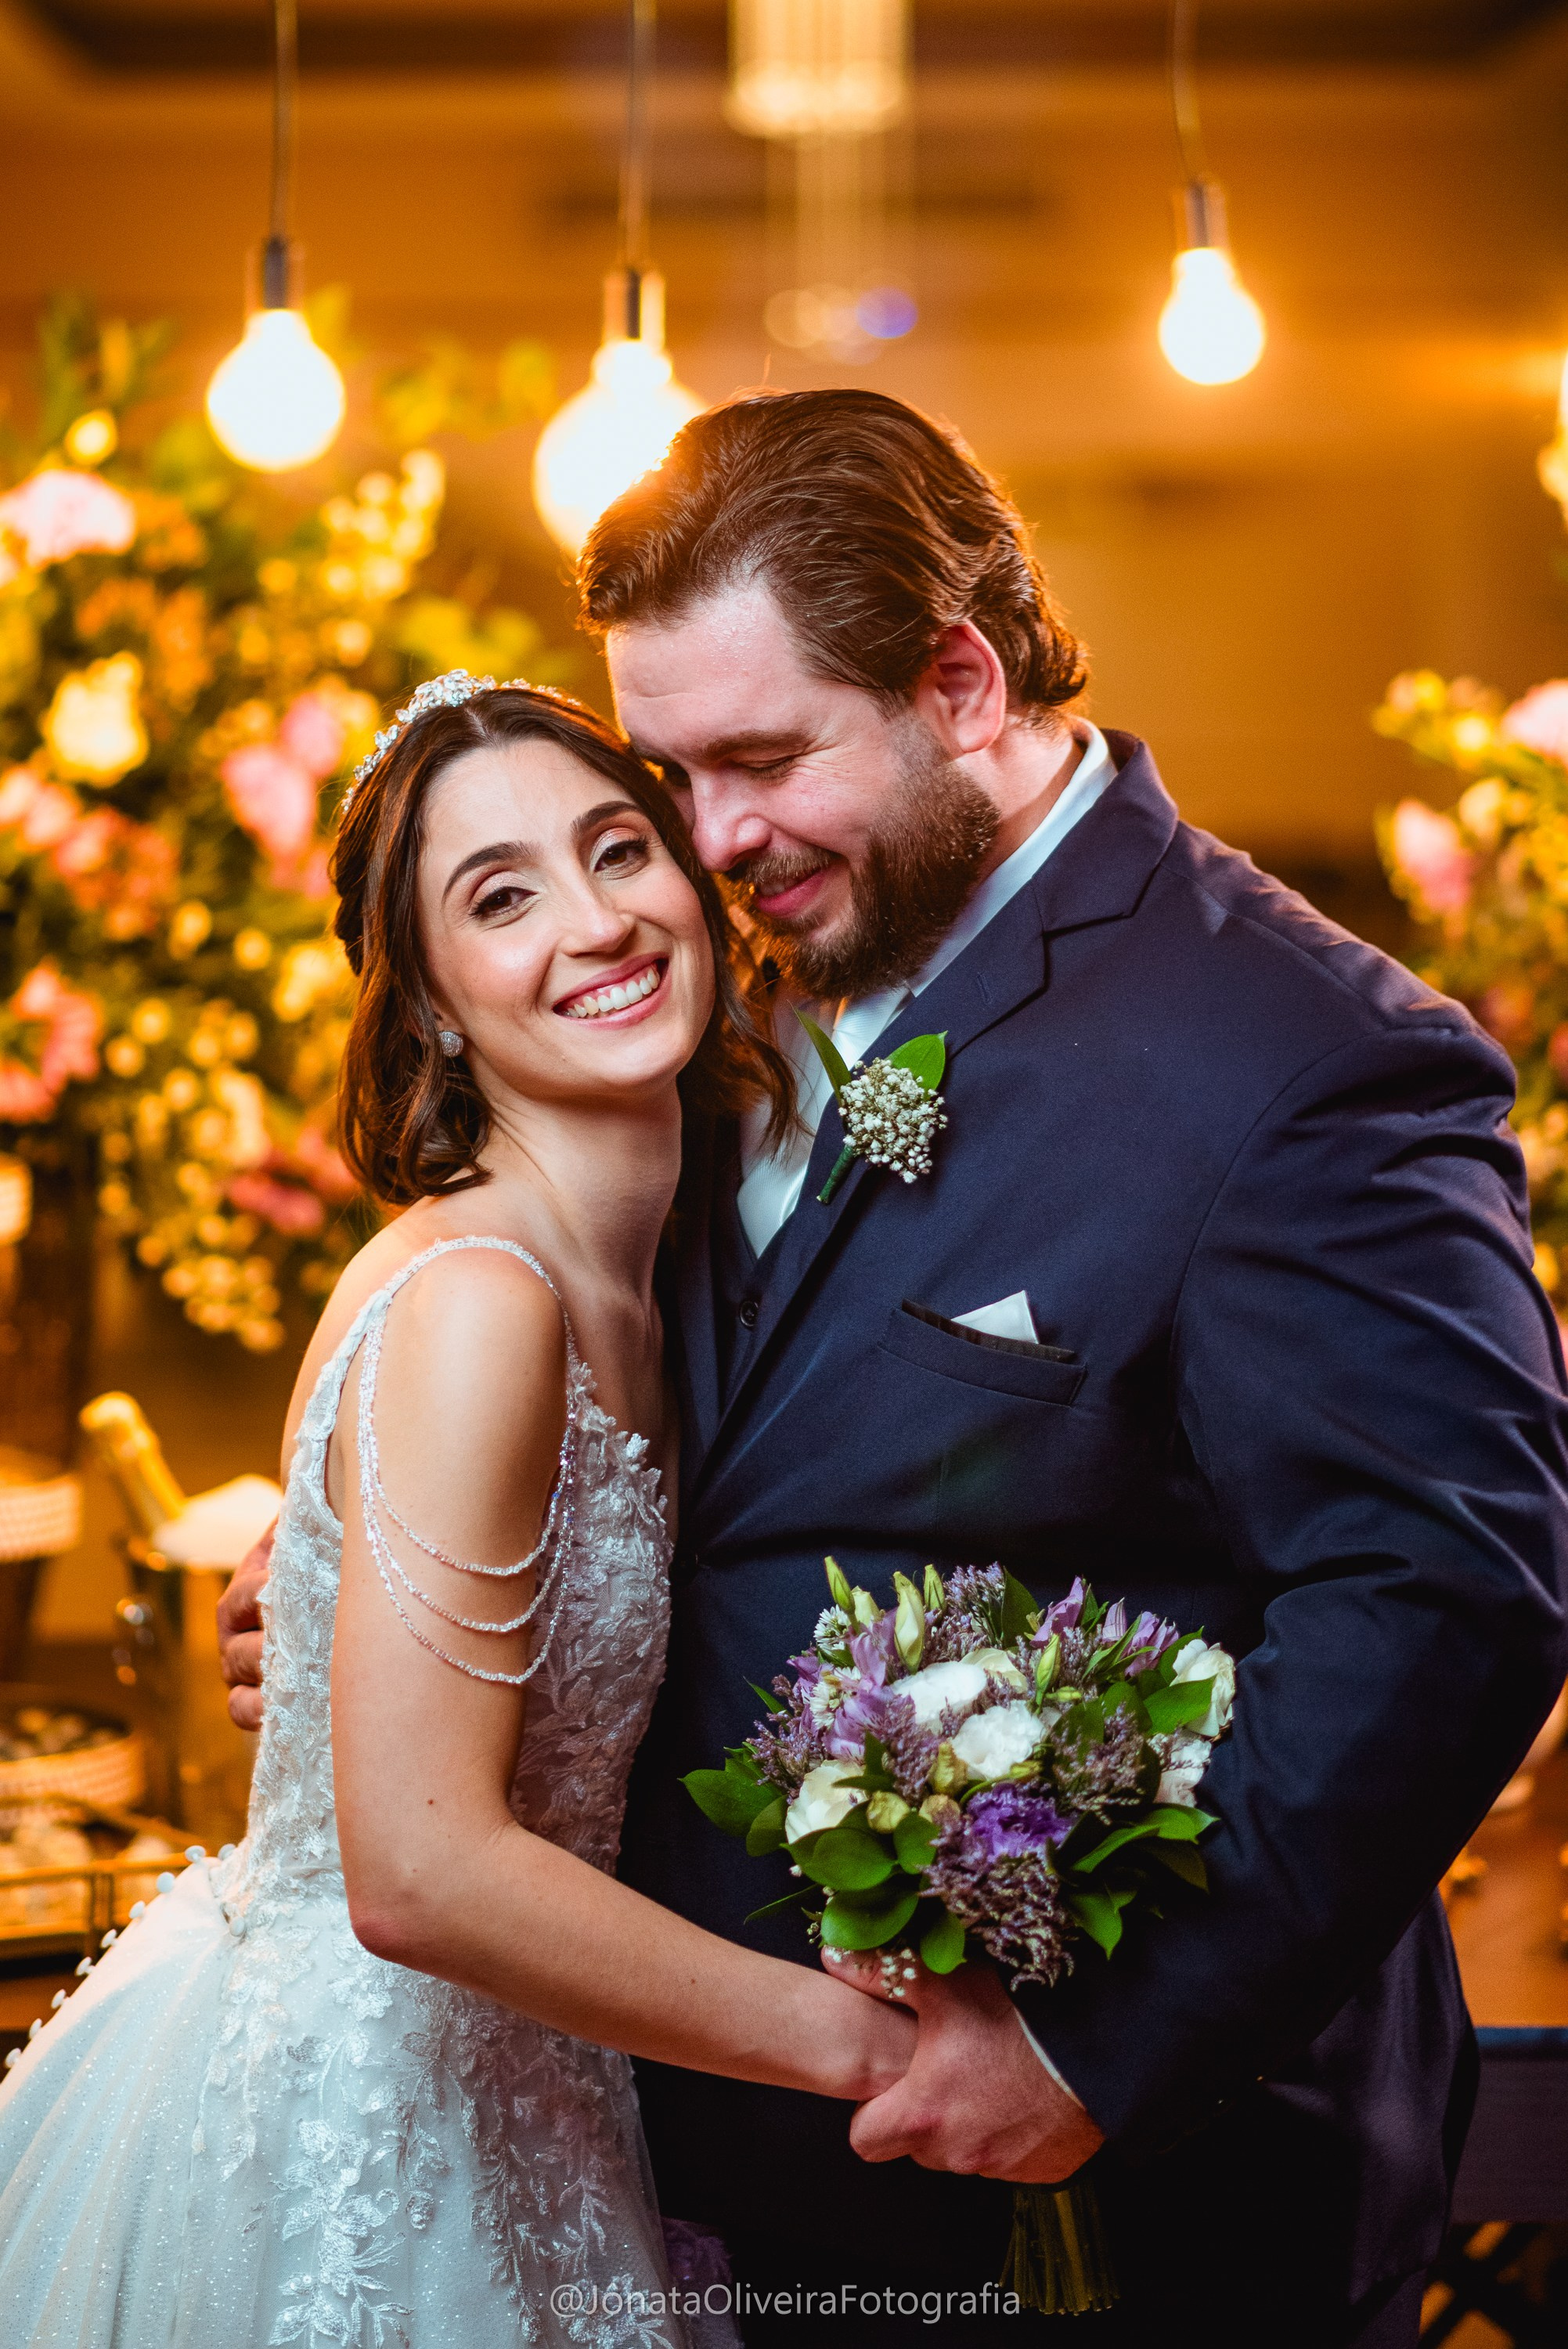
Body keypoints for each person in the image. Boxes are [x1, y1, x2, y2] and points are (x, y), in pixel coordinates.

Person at [220, 388, 1568, 2349]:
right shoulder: (720, 980)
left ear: (958, 680)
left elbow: (1447, 1601)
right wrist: (380, 1598)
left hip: (1123, 2205)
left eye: (759, 759)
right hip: (692, 2179)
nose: (703, 842)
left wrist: (1094, 2046)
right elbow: (674, 1447)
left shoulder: (1301, 1056)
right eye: (665, 774)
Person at [0, 681, 914, 2349]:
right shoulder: (484, 1298)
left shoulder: (675, 1264)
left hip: (552, 2105)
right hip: (374, 2133)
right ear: (426, 1003)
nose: (595, 922)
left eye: (618, 848)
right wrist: (870, 2049)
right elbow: (416, 1870)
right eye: (500, 897)